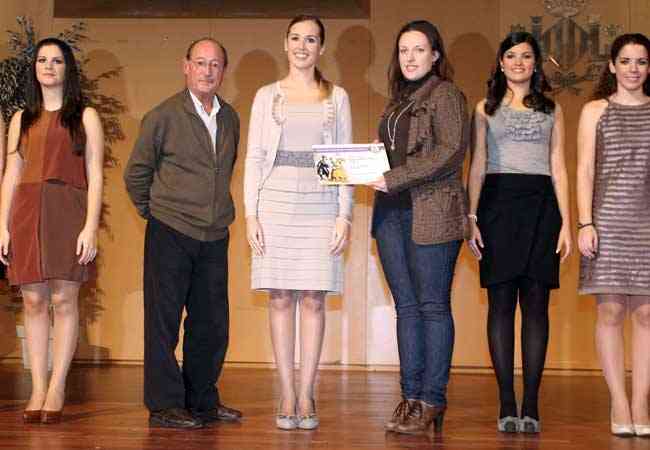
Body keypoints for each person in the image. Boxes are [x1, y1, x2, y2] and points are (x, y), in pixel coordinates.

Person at [124, 37, 241, 429]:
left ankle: (202, 401)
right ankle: (165, 404)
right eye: (200, 63)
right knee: (163, 321)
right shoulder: (163, 116)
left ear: (223, 71)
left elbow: (225, 169)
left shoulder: (230, 117)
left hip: (215, 235)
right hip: (170, 231)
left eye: (215, 64)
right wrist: (156, 213)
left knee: (211, 325)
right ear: (186, 66)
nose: (208, 71)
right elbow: (136, 174)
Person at [244, 15, 352, 431]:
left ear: (321, 48)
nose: (302, 46)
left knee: (313, 299)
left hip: (320, 202)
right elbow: (255, 158)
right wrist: (251, 213)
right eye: (295, 38)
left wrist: (343, 214)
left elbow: (341, 159)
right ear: (285, 43)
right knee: (279, 298)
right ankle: (286, 392)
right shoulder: (266, 95)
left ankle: (307, 392)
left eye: (310, 40)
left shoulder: (336, 97)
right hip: (275, 201)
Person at [365, 20, 468, 434]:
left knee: (432, 307)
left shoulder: (446, 94)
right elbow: (397, 155)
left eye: (419, 49)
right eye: (404, 50)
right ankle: (410, 398)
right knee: (406, 308)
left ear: (435, 55)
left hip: (432, 213)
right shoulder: (398, 100)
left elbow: (450, 152)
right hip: (391, 214)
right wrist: (370, 161)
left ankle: (432, 399)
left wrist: (394, 176)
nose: (410, 57)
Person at [466, 32, 571, 434]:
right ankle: (507, 401)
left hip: (542, 207)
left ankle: (531, 403)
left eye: (526, 56)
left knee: (537, 306)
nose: (518, 62)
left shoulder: (552, 108)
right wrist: (471, 216)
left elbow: (559, 166)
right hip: (497, 206)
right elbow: (477, 165)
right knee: (501, 305)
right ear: (500, 62)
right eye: (511, 56)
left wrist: (567, 221)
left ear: (535, 63)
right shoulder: (484, 108)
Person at [0, 38, 104, 424]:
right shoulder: (21, 119)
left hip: (68, 210)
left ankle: (57, 386)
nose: (48, 66)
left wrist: (90, 226)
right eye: (42, 60)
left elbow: (96, 174)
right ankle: (38, 387)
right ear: (35, 69)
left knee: (64, 299)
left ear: (67, 68)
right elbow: (11, 175)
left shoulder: (85, 116)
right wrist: (2, 225)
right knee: (32, 301)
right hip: (27, 212)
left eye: (56, 60)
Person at [576, 33, 650, 438]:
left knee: (646, 315)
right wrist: (585, 223)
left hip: (646, 224)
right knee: (610, 312)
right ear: (612, 66)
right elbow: (585, 169)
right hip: (606, 221)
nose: (633, 69)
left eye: (641, 61)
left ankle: (640, 403)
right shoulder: (595, 111)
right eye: (625, 61)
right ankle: (619, 402)